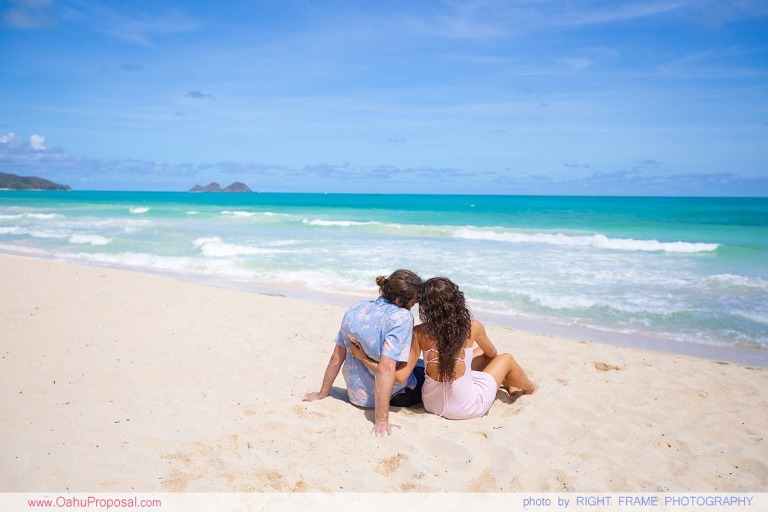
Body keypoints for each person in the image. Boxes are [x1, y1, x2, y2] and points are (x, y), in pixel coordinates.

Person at [303, 269, 424, 436]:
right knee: (427, 373)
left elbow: (337, 356)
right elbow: (386, 369)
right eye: (413, 302)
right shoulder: (402, 317)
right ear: (398, 301)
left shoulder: (356, 308)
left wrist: (322, 393)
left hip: (355, 394)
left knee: (416, 364)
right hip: (395, 395)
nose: (413, 306)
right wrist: (381, 420)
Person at [415, 277, 537, 420]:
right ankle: (531, 388)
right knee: (506, 358)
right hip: (464, 408)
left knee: (477, 353)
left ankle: (510, 383)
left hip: (431, 403)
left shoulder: (418, 331)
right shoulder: (471, 326)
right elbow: (492, 353)